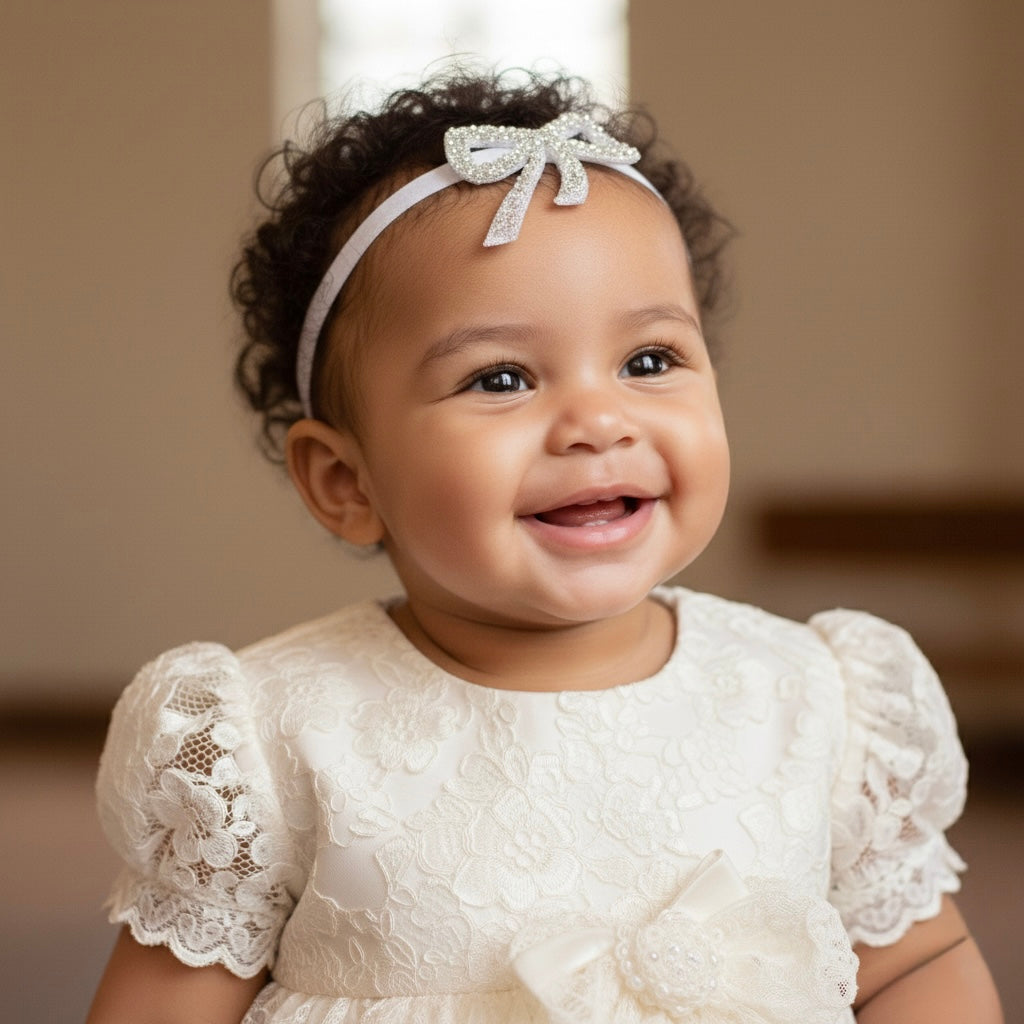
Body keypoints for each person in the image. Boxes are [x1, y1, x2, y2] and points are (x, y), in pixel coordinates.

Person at [86, 68, 1002, 1024]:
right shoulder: (272, 738)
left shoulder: (820, 699)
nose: (597, 422)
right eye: (501, 377)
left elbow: (912, 963)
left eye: (649, 361)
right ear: (346, 483)